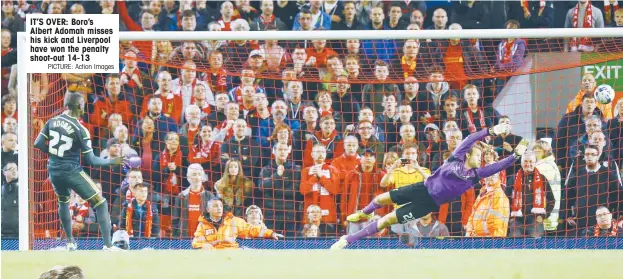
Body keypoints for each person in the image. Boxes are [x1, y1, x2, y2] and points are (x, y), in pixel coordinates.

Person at [331, 124, 529, 249]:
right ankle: (363, 213)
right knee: (382, 199)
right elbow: (470, 139)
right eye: (478, 155)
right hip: (421, 187)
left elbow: (498, 165)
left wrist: (515, 156)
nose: (481, 159)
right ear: (469, 155)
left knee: (387, 220)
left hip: (427, 204)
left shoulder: (474, 176)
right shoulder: (457, 157)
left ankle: (348, 240)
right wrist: (491, 131)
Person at [33, 91, 124, 251]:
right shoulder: (80, 129)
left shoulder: (52, 121)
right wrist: (111, 161)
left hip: (53, 171)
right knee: (101, 202)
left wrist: (56, 155)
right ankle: (108, 246)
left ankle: (69, 242)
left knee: (63, 200)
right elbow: (92, 161)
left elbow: (38, 143)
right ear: (80, 106)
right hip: (71, 171)